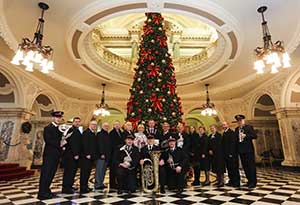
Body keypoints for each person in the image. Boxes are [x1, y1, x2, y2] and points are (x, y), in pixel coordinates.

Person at [38, 111, 64, 200]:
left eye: (60, 117)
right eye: (57, 117)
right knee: (46, 173)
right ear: (53, 118)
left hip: (56, 155)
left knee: (51, 174)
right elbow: (48, 140)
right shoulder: (48, 128)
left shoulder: (60, 129)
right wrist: (60, 143)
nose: (59, 119)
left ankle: (47, 190)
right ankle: (41, 193)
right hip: (49, 155)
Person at [234, 114, 257, 189]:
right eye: (238, 121)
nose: (239, 122)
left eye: (240, 120)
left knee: (251, 166)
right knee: (245, 167)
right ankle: (249, 181)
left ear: (243, 120)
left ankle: (253, 182)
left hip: (248, 150)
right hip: (241, 150)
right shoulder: (237, 129)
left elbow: (254, 136)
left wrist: (246, 136)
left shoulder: (249, 127)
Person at [61, 117, 82, 194]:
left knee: (72, 172)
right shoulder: (71, 130)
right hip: (70, 155)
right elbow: (73, 143)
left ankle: (69, 185)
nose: (77, 123)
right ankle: (66, 188)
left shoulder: (77, 130)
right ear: (73, 122)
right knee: (69, 172)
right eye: (76, 121)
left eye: (78, 122)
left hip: (73, 155)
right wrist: (76, 154)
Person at [80, 120, 97, 194]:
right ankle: (83, 188)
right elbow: (84, 144)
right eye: (93, 124)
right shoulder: (86, 132)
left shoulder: (93, 133)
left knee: (88, 172)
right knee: (84, 172)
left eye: (95, 125)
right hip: (86, 156)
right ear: (89, 125)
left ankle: (85, 186)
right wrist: (87, 154)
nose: (94, 126)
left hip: (91, 156)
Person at [222, 121, 240, 187]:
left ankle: (236, 182)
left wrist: (231, 153)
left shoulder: (231, 133)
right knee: (229, 169)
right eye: (223, 125)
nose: (223, 126)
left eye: (224, 125)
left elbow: (233, 144)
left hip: (232, 155)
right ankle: (231, 181)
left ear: (228, 125)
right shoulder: (224, 133)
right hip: (226, 155)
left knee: (234, 168)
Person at [95, 122, 111, 190]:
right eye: (105, 126)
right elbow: (99, 145)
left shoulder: (107, 134)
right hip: (101, 156)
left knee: (103, 170)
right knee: (99, 170)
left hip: (106, 156)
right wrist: (102, 154)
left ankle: (101, 183)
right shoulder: (100, 134)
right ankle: (97, 184)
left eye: (107, 126)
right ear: (102, 126)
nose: (106, 127)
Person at [108, 120, 123, 189]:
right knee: (113, 170)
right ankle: (112, 184)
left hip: (119, 153)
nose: (117, 126)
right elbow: (111, 144)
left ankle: (117, 183)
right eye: (115, 124)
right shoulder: (111, 133)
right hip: (113, 153)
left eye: (118, 124)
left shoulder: (120, 132)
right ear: (113, 125)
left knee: (117, 169)